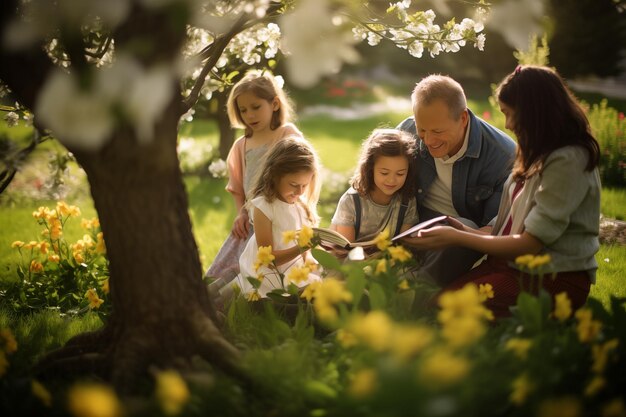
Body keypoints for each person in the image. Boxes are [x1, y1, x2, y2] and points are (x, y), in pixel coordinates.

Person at [406, 65, 601, 318]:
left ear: (535, 112)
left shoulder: (569, 159)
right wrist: (461, 229)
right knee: (436, 304)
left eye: (511, 114)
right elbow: (511, 220)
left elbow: (530, 242)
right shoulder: (537, 151)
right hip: (510, 265)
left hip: (551, 277)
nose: (508, 124)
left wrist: (457, 237)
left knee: (447, 312)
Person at [396, 74, 517, 285]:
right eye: (422, 130)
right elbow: (370, 177)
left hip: (459, 235)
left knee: (463, 226)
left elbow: (493, 230)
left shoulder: (503, 156)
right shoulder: (405, 133)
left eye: (437, 131)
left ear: (462, 119)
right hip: (409, 222)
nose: (429, 140)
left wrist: (454, 236)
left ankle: (412, 294)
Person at [205, 70, 302, 296]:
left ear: (275, 103)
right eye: (243, 110)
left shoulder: (287, 135)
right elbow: (237, 187)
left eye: (256, 107)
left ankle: (249, 303)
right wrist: (241, 213)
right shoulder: (242, 145)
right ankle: (215, 303)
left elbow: (301, 172)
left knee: (264, 269)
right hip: (251, 220)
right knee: (231, 267)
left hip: (279, 219)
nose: (249, 115)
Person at [231, 136, 323, 299]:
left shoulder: (300, 206)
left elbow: (305, 254)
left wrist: (310, 260)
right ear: (274, 176)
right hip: (267, 277)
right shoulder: (264, 207)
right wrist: (301, 248)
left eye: (305, 185)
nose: (300, 192)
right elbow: (268, 259)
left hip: (292, 270)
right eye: (294, 185)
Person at [330, 128, 419, 245]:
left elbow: (404, 246)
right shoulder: (351, 201)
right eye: (384, 173)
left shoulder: (407, 201)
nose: (392, 180)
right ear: (370, 168)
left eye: (400, 173)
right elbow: (345, 250)